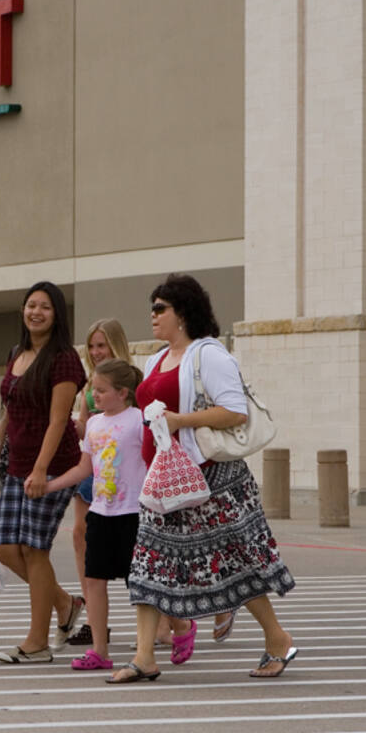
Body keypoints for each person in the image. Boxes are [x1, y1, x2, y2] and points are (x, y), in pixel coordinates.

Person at [109, 273, 297, 683]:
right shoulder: (157, 359)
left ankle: (278, 638)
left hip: (213, 481)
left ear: (183, 313)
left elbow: (234, 412)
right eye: (152, 308)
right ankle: (144, 657)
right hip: (165, 480)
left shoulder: (209, 354)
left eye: (160, 308)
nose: (153, 315)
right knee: (147, 565)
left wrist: (180, 420)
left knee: (238, 565)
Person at [0, 281, 88, 663]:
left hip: (54, 465)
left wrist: (42, 471)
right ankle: (64, 603)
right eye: (30, 305)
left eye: (45, 307)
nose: (36, 312)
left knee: (34, 549)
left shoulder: (63, 360)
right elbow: (10, 411)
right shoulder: (18, 353)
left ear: (56, 314)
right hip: (16, 466)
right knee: (6, 548)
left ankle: (37, 642)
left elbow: (59, 420)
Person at [46, 358, 146, 670]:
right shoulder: (93, 424)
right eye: (92, 391)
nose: (95, 396)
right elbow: (84, 467)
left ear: (123, 393)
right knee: (93, 581)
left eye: (101, 391)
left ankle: (159, 639)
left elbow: (157, 458)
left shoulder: (139, 420)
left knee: (140, 583)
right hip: (101, 512)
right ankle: (100, 651)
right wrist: (50, 485)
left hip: (134, 513)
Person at [64, 318, 133, 647]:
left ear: (115, 345)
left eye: (101, 345)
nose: (94, 352)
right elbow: (84, 424)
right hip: (91, 467)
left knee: (132, 548)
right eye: (91, 346)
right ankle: (94, 621)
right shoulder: (90, 385)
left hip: (122, 471)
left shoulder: (127, 379)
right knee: (80, 535)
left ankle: (164, 620)